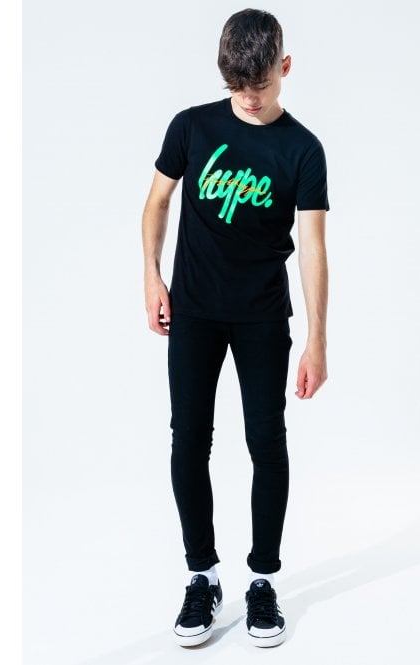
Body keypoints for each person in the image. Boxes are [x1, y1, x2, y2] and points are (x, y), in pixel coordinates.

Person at [142, 8, 330, 648]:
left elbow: (313, 247)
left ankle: (262, 582)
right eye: (237, 87)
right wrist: (151, 274)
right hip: (194, 309)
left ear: (285, 67)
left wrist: (317, 339)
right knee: (188, 440)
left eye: (261, 85)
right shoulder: (191, 127)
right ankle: (202, 575)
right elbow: (157, 201)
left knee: (265, 442)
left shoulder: (302, 149)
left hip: (261, 316)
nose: (249, 99)